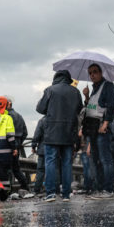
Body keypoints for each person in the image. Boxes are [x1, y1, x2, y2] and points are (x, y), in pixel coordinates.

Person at [36, 70, 83, 202]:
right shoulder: (75, 91)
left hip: (52, 132)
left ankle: (50, 193)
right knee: (67, 163)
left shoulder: (50, 90)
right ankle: (66, 194)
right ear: (68, 78)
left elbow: (40, 109)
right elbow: (79, 109)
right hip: (69, 132)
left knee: (50, 161)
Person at [82, 63, 114, 199]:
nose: (92, 75)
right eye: (90, 73)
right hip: (92, 128)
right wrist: (86, 97)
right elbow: (91, 108)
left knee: (105, 159)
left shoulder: (107, 85)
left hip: (102, 127)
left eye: (95, 72)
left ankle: (108, 189)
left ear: (101, 72)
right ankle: (101, 188)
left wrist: (106, 123)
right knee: (96, 160)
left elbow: (112, 105)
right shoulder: (93, 89)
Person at [5, 96, 32, 195]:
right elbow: (25, 132)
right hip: (17, 144)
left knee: (7, 168)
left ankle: (7, 190)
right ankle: (25, 186)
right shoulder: (19, 116)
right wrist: (19, 142)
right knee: (16, 168)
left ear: (8, 104)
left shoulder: (5, 116)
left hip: (7, 144)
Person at [31, 117, 46, 195]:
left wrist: (33, 146)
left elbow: (37, 134)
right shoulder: (57, 118)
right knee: (54, 169)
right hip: (55, 149)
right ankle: (54, 188)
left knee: (40, 170)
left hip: (43, 149)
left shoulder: (42, 120)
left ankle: (37, 189)